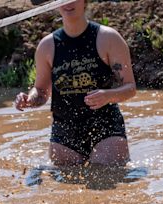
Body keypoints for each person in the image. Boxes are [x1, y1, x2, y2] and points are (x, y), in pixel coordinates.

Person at [14, 0, 136, 167]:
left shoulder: (108, 38)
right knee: (63, 185)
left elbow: (130, 88)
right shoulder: (47, 46)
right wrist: (30, 99)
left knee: (107, 174)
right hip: (65, 128)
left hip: (105, 125)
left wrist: (108, 95)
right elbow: (41, 90)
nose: (68, 3)